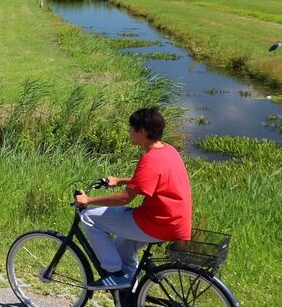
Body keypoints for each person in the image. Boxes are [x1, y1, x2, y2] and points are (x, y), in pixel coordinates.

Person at [73, 107, 192, 290]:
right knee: (122, 250)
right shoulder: (168, 150)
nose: (129, 130)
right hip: (175, 222)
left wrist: (88, 200)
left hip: (156, 223)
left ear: (142, 131)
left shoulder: (150, 159)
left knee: (89, 216)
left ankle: (115, 274)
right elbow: (151, 180)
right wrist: (119, 180)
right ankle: (131, 300)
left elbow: (124, 199)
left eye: (131, 127)